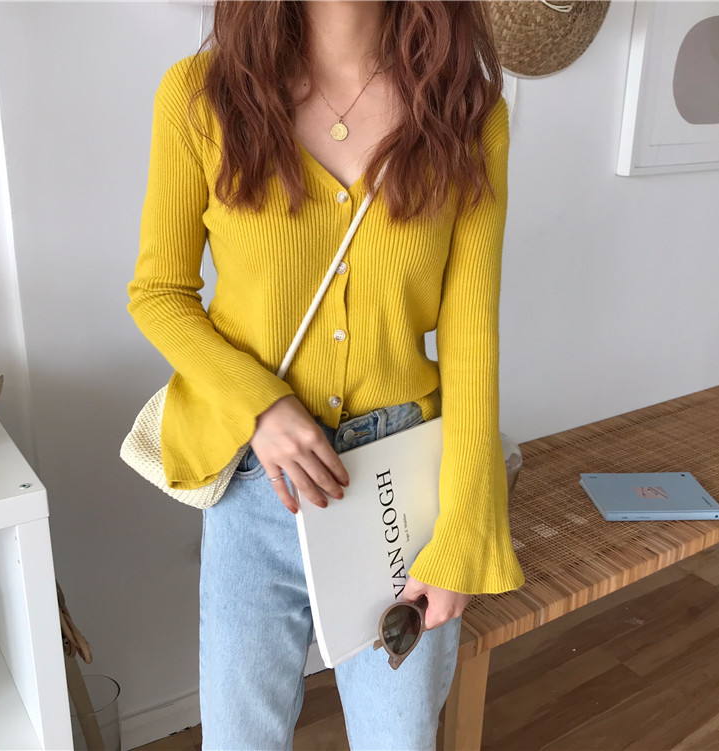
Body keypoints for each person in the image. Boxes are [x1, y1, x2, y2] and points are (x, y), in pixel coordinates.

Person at [127, 1, 526, 748]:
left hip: (399, 494)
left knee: (398, 739)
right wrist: (261, 404)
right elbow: (159, 293)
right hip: (254, 483)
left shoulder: (468, 115)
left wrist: (464, 534)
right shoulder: (200, 97)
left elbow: (473, 340)